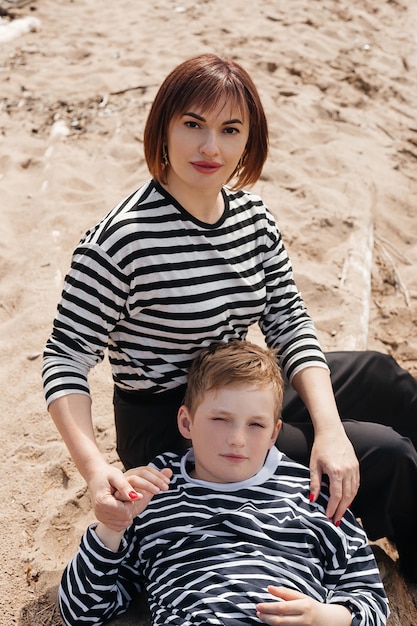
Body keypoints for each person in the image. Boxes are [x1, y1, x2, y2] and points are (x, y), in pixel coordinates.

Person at [42, 53, 417, 583]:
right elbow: (64, 359)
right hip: (172, 426)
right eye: (193, 125)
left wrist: (330, 428)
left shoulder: (253, 218)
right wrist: (95, 467)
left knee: (387, 379)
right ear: (163, 128)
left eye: (229, 129)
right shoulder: (119, 242)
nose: (210, 147)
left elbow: (288, 319)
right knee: (387, 454)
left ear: (248, 141)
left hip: (243, 384)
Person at [59, 341, 389, 626]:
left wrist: (326, 617)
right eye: (220, 419)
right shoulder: (152, 495)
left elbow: (370, 599)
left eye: (256, 425)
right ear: (186, 422)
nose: (237, 440)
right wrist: (112, 528)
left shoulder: (312, 493)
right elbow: (81, 612)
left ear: (275, 433)